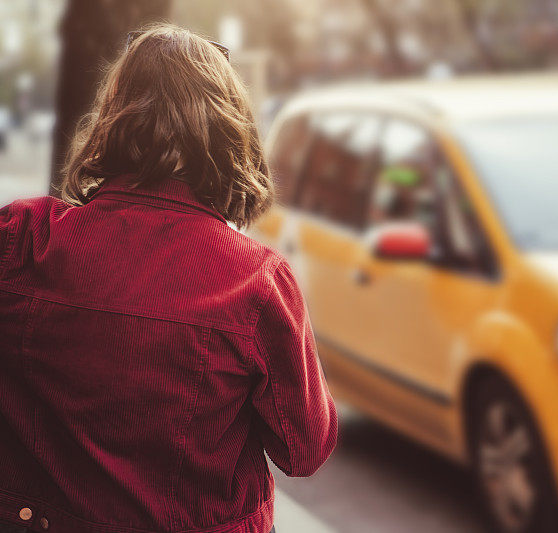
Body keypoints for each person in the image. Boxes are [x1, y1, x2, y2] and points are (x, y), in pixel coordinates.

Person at [0, 24, 337, 533]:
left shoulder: (22, 240)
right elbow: (304, 448)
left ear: (113, 120)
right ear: (228, 134)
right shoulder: (256, 282)